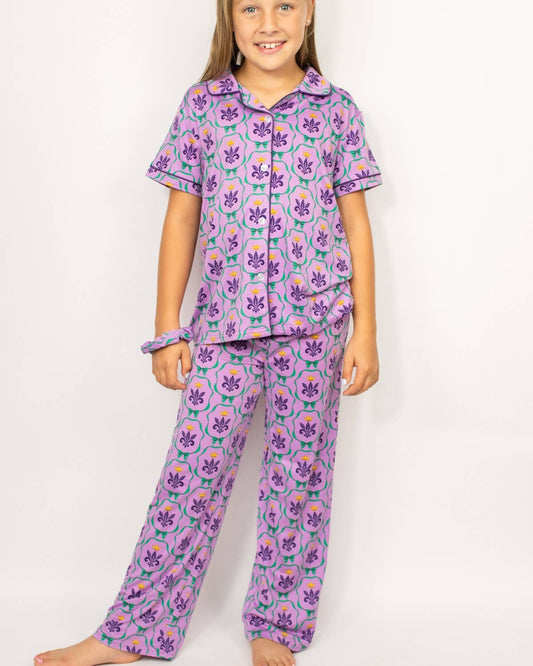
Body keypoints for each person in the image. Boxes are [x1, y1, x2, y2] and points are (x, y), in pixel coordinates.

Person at [33, 1, 383, 665]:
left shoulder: (336, 110)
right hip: (222, 328)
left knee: (299, 479)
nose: (268, 22)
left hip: (314, 328)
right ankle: (132, 631)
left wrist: (366, 330)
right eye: (250, 7)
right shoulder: (203, 107)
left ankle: (276, 624)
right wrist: (167, 329)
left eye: (285, 5)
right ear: (229, 17)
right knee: (191, 478)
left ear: (309, 15)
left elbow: (356, 225)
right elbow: (180, 219)